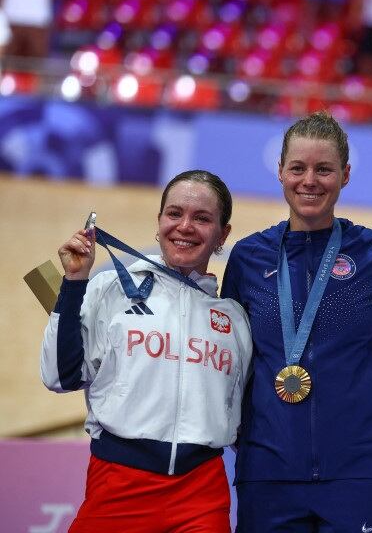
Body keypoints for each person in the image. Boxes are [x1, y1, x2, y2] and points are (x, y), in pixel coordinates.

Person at [221, 111, 372, 532]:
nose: (310, 181)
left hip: (362, 470)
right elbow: (231, 361)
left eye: (324, 169)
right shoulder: (249, 258)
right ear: (281, 172)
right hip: (268, 470)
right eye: (298, 168)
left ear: (345, 175)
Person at [40, 170, 253, 532]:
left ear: (223, 234)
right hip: (118, 486)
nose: (184, 226)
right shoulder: (111, 288)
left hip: (201, 495)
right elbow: (61, 376)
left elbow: (244, 417)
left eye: (202, 218)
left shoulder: (234, 319)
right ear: (159, 221)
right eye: (174, 214)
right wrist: (74, 284)